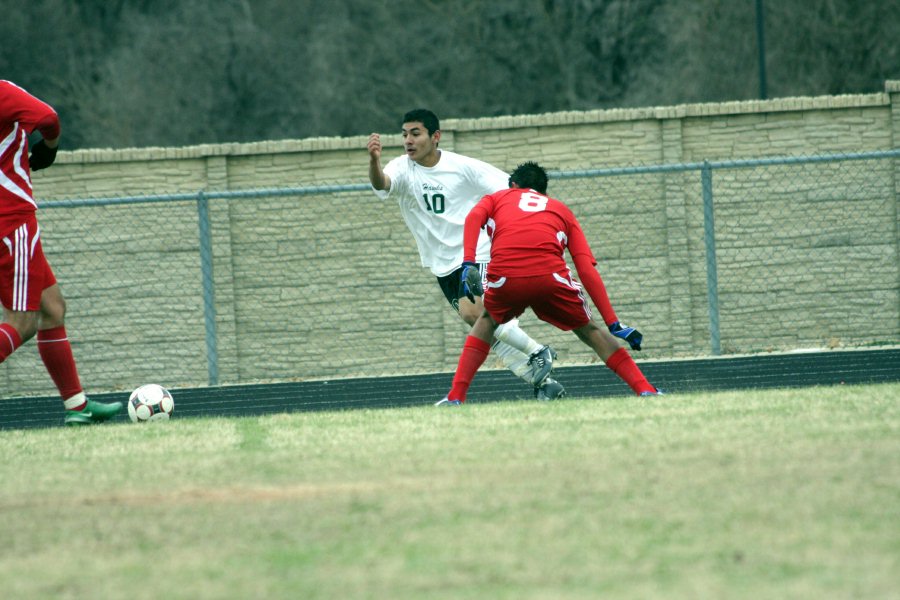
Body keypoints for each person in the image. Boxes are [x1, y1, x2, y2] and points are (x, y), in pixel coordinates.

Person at [368, 109, 565, 399]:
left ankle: (538, 351)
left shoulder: (462, 167)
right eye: (404, 134)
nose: (408, 140)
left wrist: (536, 219)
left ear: (435, 137)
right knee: (484, 329)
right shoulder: (402, 167)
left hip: (475, 254)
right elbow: (381, 183)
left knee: (477, 314)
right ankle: (545, 385)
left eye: (415, 133)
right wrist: (374, 161)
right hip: (442, 264)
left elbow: (512, 190)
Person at [437, 161, 662, 405]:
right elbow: (586, 269)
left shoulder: (498, 197)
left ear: (513, 185)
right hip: (551, 278)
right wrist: (613, 322)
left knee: (487, 321)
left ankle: (456, 396)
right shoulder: (560, 209)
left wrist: (469, 262)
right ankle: (645, 389)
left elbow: (473, 218)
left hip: (506, 277)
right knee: (590, 330)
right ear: (544, 192)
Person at [0, 80, 123, 425]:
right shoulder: (3, 93)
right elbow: (49, 118)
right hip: (11, 223)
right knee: (21, 324)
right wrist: (49, 149)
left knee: (52, 308)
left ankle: (77, 406)